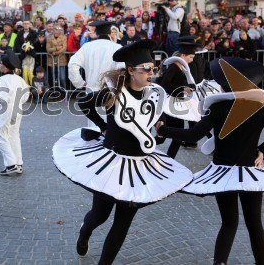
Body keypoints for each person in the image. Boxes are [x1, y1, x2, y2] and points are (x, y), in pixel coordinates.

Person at [156, 57, 264, 265]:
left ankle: (219, 262)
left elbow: (193, 135)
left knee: (228, 223)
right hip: (250, 172)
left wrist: (162, 129)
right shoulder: (258, 108)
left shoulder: (217, 108)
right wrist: (261, 149)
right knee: (255, 224)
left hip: (223, 173)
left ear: (226, 85)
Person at [53, 40, 193, 264]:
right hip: (111, 163)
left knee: (122, 224)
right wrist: (103, 126)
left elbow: (159, 127)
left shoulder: (154, 95)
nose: (151, 73)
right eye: (145, 69)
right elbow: (84, 103)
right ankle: (84, 233)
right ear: (130, 70)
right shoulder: (113, 94)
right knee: (100, 216)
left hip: (139, 165)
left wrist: (160, 133)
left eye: (153, 68)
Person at [160, 40, 200, 158]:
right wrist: (182, 89)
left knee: (175, 136)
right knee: (168, 136)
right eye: (190, 57)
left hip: (177, 103)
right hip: (171, 104)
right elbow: (165, 84)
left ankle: (169, 159)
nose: (192, 60)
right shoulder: (174, 66)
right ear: (183, 56)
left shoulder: (182, 67)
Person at [0, 51, 29, 175]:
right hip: (18, 108)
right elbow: (26, 95)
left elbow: (3, 97)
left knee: (1, 134)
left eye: (0, 63)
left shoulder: (3, 79)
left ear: (5, 66)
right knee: (14, 135)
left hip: (7, 109)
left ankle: (10, 164)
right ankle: (18, 163)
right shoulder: (19, 78)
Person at [68, 21, 124, 91]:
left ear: (96, 33)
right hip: (110, 91)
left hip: (91, 92)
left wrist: (80, 83)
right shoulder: (117, 47)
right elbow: (122, 69)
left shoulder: (87, 46)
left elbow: (72, 63)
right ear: (110, 33)